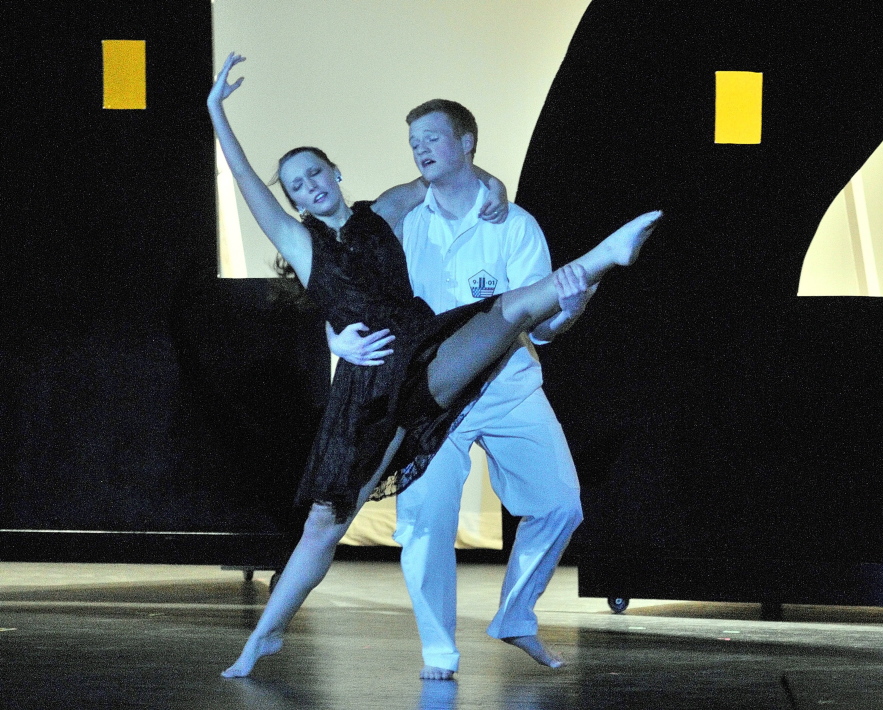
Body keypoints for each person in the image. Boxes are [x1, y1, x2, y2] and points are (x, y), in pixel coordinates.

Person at [208, 52, 661, 679]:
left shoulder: (385, 214)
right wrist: (215, 113)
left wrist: (497, 188)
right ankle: (266, 636)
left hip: (438, 357)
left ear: (336, 172)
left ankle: (598, 260)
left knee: (505, 317)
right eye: (296, 185)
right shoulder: (302, 241)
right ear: (294, 201)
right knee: (326, 527)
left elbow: (452, 179)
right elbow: (248, 186)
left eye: (316, 172)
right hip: (373, 391)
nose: (309, 186)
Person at [328, 99, 594, 679]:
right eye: (413, 141)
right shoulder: (400, 224)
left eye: (433, 138)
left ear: (468, 141)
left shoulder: (516, 225)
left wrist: (569, 308)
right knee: (425, 520)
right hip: (431, 399)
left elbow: (543, 329)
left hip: (507, 388)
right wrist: (338, 338)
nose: (420, 148)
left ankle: (516, 615)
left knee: (560, 504)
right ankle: (439, 651)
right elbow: (337, 276)